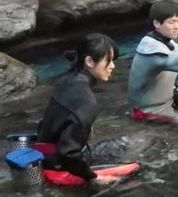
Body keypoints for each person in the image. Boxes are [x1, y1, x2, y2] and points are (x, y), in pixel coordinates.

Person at [36, 33, 139, 186]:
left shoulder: (66, 80)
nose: (112, 66)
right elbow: (68, 153)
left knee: (121, 146)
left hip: (45, 157)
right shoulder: (86, 101)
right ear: (89, 61)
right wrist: (93, 178)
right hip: (59, 170)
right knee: (138, 169)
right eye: (108, 61)